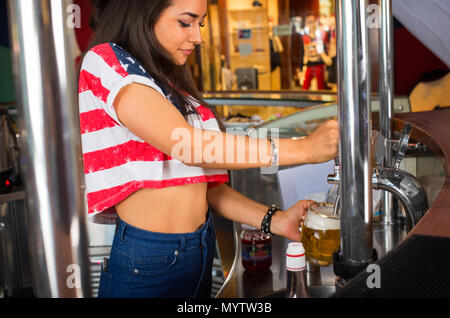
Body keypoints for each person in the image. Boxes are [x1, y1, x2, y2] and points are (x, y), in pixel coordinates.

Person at [78, 0, 339, 298]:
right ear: (143, 12)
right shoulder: (106, 60)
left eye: (199, 24)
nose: (198, 38)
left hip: (198, 247)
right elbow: (189, 146)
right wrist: (304, 149)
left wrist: (277, 220)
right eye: (186, 22)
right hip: (149, 258)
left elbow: (207, 187)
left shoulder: (163, 80)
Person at [298, 13, 332, 90]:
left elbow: (325, 51)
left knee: (320, 87)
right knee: (305, 86)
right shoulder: (305, 37)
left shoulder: (321, 36)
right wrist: (300, 68)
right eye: (309, 22)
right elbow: (302, 53)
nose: (311, 24)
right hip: (309, 64)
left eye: (312, 22)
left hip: (319, 64)